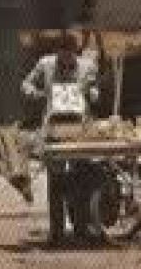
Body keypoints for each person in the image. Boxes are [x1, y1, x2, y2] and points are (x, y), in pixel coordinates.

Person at [20, 34, 101, 244]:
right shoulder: (45, 64)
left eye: (70, 56)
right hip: (54, 128)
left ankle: (81, 229)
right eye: (62, 56)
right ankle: (56, 232)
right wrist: (37, 94)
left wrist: (93, 94)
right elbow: (26, 84)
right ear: (57, 53)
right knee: (56, 181)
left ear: (75, 53)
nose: (66, 60)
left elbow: (95, 89)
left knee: (80, 179)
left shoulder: (87, 67)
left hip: (79, 129)